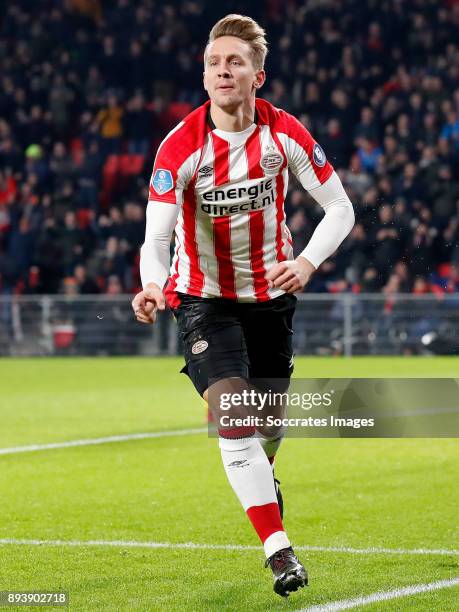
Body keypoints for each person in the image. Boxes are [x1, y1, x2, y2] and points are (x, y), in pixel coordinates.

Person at [132, 14, 354, 598]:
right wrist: (154, 284)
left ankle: (266, 477)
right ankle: (279, 551)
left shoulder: (285, 134)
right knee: (234, 417)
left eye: (234, 61)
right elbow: (155, 240)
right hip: (203, 299)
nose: (222, 70)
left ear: (258, 74)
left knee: (268, 424)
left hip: (271, 298)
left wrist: (305, 264)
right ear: (204, 76)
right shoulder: (180, 146)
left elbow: (341, 209)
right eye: (213, 62)